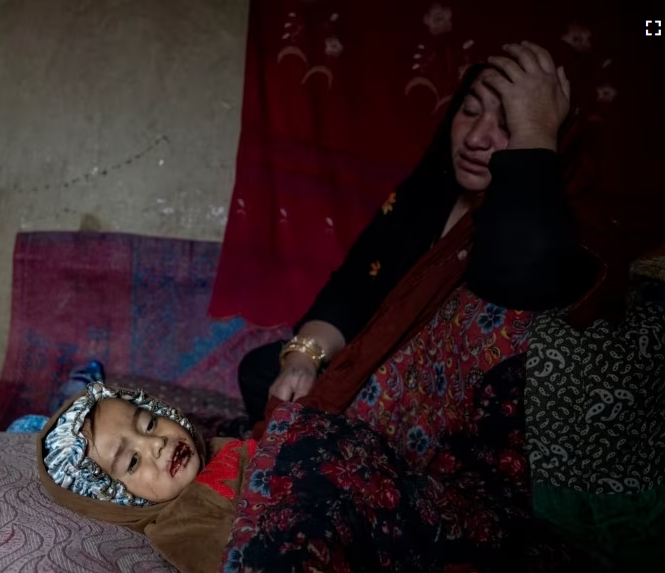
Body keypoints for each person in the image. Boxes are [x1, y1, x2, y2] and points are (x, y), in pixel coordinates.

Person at [237, 41, 595, 427]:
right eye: (469, 111)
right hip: (373, 378)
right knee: (264, 371)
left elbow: (519, 287)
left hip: (447, 412)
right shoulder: (425, 195)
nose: (476, 138)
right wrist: (303, 359)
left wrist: (533, 141)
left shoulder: (554, 234)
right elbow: (351, 290)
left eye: (510, 125)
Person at [38, 364, 259, 573]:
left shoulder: (212, 447)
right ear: (117, 498)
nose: (156, 443)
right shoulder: (182, 528)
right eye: (132, 462)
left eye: (150, 424)